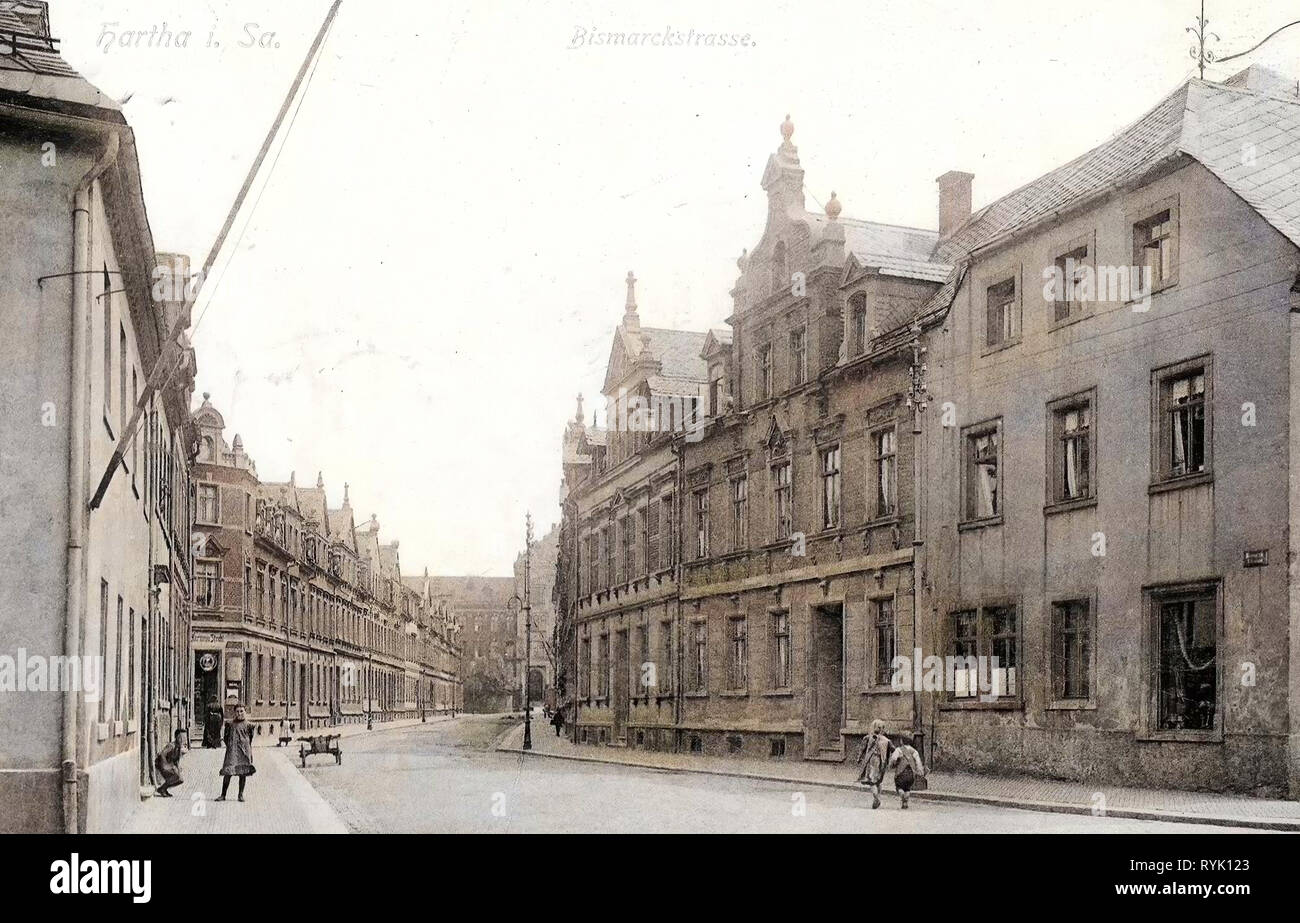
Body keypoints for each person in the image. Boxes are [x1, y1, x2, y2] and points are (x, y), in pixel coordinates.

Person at [215, 703, 256, 802]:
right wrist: (231, 746)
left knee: (243, 772)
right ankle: (223, 794)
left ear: (245, 712)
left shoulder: (249, 725)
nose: (239, 713)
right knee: (228, 772)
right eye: (237, 711)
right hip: (232, 751)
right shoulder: (230, 724)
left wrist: (246, 746)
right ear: (234, 713)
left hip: (244, 751)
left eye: (241, 711)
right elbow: (225, 737)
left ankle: (240, 795)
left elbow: (250, 737)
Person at [854, 719, 892, 809]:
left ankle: (876, 798)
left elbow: (862, 749)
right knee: (878, 781)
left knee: (871, 781)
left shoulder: (867, 738)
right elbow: (893, 750)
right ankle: (878, 797)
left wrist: (859, 758)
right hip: (882, 762)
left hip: (872, 761)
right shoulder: (887, 740)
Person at [887, 739, 926, 809]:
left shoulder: (899, 750)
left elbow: (893, 759)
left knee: (899, 786)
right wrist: (920, 772)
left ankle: (902, 796)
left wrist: (891, 766)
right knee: (907, 788)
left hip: (900, 773)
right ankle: (905, 801)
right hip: (911, 773)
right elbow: (918, 763)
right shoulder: (914, 751)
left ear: (902, 741)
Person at [153, 728, 187, 797]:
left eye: (184, 738)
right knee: (176, 776)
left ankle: (164, 789)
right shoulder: (171, 745)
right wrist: (166, 765)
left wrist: (178, 768)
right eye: (180, 737)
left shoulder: (179, 747)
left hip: (170, 765)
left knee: (180, 779)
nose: (182, 740)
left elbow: (176, 760)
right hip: (162, 765)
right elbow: (162, 754)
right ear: (176, 737)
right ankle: (162, 789)